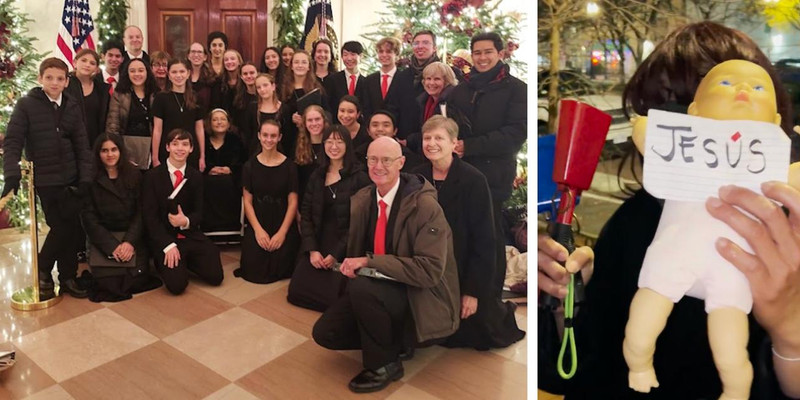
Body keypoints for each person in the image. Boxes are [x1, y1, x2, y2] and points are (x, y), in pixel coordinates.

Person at [537, 22, 800, 399]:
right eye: (668, 111)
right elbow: (576, 369)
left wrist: (791, 326)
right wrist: (569, 301)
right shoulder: (634, 219)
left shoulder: (790, 232)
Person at [312, 136, 460, 394]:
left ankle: (384, 363)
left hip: (418, 293)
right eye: (372, 159)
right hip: (378, 285)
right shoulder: (363, 199)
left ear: (401, 163)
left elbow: (429, 271)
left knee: (362, 290)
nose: (378, 166)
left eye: (386, 160)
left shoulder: (425, 206)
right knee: (326, 333)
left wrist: (370, 261)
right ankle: (394, 342)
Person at [412, 115, 524, 349]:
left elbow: (484, 240)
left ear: (454, 144)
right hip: (429, 261)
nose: (431, 143)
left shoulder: (474, 180)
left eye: (439, 138)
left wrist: (472, 292)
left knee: (475, 328)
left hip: (462, 265)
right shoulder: (416, 176)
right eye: (427, 138)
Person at [2, 57, 92, 299]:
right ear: (40, 78)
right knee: (62, 226)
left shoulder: (72, 106)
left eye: (60, 78)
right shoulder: (26, 105)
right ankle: (42, 271)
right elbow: (13, 141)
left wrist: (85, 178)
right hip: (46, 179)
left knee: (72, 228)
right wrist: (11, 173)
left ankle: (67, 277)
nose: (54, 82)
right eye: (49, 77)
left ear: (66, 81)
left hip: (71, 178)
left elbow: (82, 146)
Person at [449, 32, 526, 304]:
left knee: (489, 241)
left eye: (487, 52)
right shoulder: (462, 88)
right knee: (463, 237)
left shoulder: (517, 89)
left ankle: (488, 301)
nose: (482, 58)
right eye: (477, 52)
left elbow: (515, 134)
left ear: (500, 53)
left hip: (494, 176)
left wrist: (470, 146)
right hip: (462, 173)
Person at [287, 125, 371, 311]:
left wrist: (336, 254)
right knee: (295, 292)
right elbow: (306, 214)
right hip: (318, 238)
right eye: (329, 141)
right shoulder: (317, 175)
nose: (334, 146)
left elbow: (360, 223)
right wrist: (312, 250)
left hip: (345, 242)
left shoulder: (360, 177)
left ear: (347, 145)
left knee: (335, 297)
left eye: (339, 141)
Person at [81, 133, 161, 302]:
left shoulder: (135, 175)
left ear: (121, 151)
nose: (110, 154)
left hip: (131, 237)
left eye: (114, 149)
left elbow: (141, 213)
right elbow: (89, 219)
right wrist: (112, 247)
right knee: (109, 283)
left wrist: (129, 242)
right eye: (104, 150)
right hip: (105, 239)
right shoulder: (89, 180)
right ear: (98, 153)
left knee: (136, 278)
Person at [142, 129, 223, 295]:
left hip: (190, 235)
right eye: (175, 144)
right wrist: (167, 245)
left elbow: (200, 213)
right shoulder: (152, 176)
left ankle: (186, 260)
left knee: (216, 277)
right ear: (167, 147)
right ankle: (165, 261)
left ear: (192, 149)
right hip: (165, 238)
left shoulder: (195, 176)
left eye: (185, 144)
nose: (180, 148)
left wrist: (185, 221)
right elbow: (150, 218)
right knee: (177, 286)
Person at [235, 119, 300, 283]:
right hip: (259, 220)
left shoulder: (290, 166)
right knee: (253, 269)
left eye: (273, 136)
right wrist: (258, 230)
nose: (269, 139)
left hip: (282, 221)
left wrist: (282, 233)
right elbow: (247, 202)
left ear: (279, 137)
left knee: (284, 266)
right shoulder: (249, 166)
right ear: (259, 136)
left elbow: (293, 202)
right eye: (265, 135)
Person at [390, 30, 446, 139]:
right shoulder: (402, 76)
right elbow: (393, 106)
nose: (420, 46)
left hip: (435, 139)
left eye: (425, 43)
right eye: (416, 43)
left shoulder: (446, 73)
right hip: (405, 140)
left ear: (435, 48)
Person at [151, 58, 205, 171]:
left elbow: (199, 129)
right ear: (169, 75)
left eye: (182, 71)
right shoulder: (161, 98)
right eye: (174, 72)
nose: (178, 75)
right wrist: (155, 157)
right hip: (168, 150)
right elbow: (157, 129)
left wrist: (202, 156)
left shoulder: (196, 98)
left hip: (190, 150)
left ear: (188, 73)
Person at [106, 58, 158, 170]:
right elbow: (113, 126)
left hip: (151, 149)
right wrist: (120, 152)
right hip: (126, 148)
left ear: (147, 72)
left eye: (140, 70)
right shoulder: (119, 94)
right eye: (132, 71)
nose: (137, 74)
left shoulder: (156, 94)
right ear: (127, 73)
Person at [405, 61, 468, 153]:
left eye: (437, 79)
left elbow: (459, 133)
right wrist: (408, 141)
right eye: (428, 78)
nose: (431, 83)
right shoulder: (425, 101)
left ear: (447, 81)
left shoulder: (453, 103)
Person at [202, 108, 244, 233]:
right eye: (215, 120)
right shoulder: (203, 140)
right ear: (209, 123)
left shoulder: (235, 140)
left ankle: (230, 224)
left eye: (222, 119)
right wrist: (209, 169)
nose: (219, 122)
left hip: (230, 180)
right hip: (208, 179)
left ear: (229, 123)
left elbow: (241, 161)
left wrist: (230, 169)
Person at [281, 50, 326, 159]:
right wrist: (291, 118)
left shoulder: (317, 88)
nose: (300, 65)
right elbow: (279, 114)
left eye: (303, 62)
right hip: (291, 137)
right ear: (291, 66)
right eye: (296, 62)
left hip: (312, 137)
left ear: (309, 67)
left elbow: (326, 112)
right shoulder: (283, 89)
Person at [65, 48, 110, 148]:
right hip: (69, 142)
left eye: (92, 63)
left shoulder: (101, 89)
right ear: (75, 62)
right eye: (83, 60)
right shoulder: (65, 85)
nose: (87, 65)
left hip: (94, 142)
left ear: (97, 69)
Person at [355, 110, 424, 172]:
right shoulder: (358, 154)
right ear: (368, 131)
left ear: (395, 131)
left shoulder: (406, 156)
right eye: (375, 125)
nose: (380, 129)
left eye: (386, 125)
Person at [363, 37, 407, 119]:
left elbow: (406, 109)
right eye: (381, 51)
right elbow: (366, 109)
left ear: (396, 55)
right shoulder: (369, 80)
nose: (384, 55)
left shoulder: (404, 79)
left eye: (388, 52)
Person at [295, 105, 329, 205]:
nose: (314, 123)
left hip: (327, 201)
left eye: (317, 119)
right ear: (304, 123)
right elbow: (296, 181)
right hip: (305, 202)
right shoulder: (298, 145)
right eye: (310, 120)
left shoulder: (332, 144)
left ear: (324, 120)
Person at [325, 41, 366, 120]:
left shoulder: (366, 82)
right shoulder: (332, 79)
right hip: (337, 125)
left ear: (361, 56)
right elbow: (328, 106)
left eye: (353, 54)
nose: (349, 58)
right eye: (345, 54)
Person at [243, 73, 282, 155]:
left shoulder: (284, 109)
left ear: (273, 86)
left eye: (265, 85)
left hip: (278, 153)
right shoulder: (252, 108)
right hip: (255, 153)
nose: (262, 89)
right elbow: (247, 133)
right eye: (259, 87)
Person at [230, 62, 258, 133]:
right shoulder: (237, 97)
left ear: (257, 73)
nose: (249, 76)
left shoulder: (264, 96)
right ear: (241, 77)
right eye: (245, 74)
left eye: (252, 73)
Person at [187, 42, 215, 113]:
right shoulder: (182, 76)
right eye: (193, 52)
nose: (196, 55)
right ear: (188, 56)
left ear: (205, 57)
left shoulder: (212, 77)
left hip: (206, 118)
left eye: (199, 52)